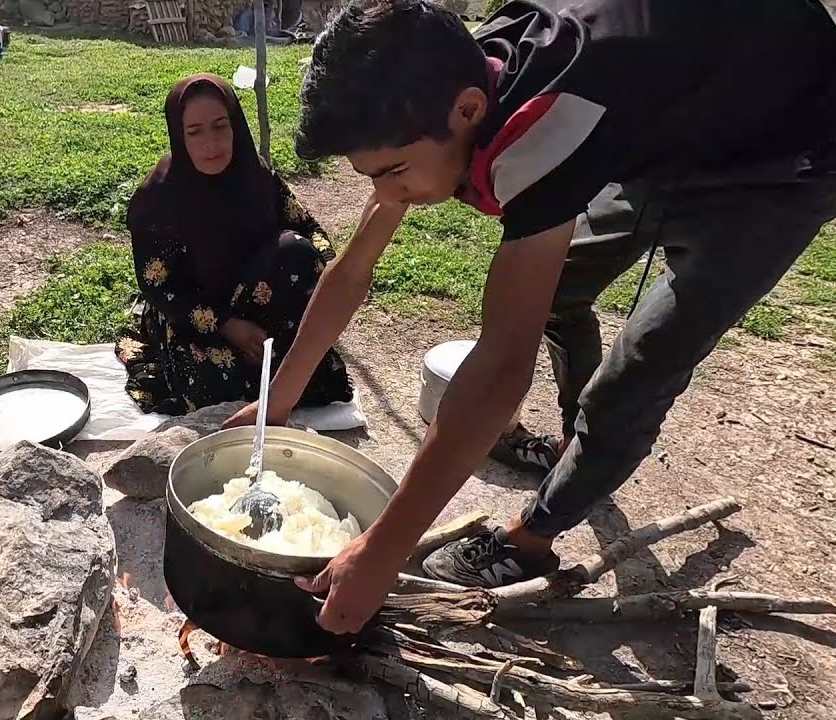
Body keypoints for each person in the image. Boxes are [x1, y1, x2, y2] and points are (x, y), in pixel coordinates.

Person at [224, 0, 836, 634]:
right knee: (560, 290)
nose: (385, 195)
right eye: (370, 176)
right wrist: (281, 395)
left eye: (394, 172)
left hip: (781, 154)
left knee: (645, 364)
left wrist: (382, 551)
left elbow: (499, 365)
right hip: (667, 113)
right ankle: (576, 438)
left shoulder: (546, 133)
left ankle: (533, 536)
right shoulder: (447, 78)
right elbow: (353, 268)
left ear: (467, 111)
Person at [115, 74, 354, 415]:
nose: (211, 144)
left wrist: (336, 269)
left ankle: (279, 369)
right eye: (195, 132)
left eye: (220, 126)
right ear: (179, 136)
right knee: (216, 391)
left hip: (259, 305)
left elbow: (307, 226)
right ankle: (266, 374)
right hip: (196, 319)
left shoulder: (254, 175)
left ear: (235, 124)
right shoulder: (158, 201)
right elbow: (160, 287)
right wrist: (228, 325)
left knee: (298, 252)